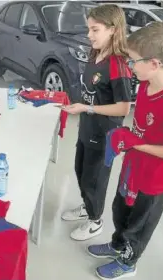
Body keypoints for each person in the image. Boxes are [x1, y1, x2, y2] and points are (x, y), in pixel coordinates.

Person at [88, 22, 163, 280]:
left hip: (154, 180)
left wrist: (136, 143)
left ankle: (128, 262)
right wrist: (126, 138)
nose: (130, 67)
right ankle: (117, 244)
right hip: (133, 168)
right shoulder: (146, 85)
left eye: (134, 61)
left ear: (155, 63)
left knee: (139, 223)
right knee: (120, 210)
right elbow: (143, 125)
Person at [60, 4, 132, 241]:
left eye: (95, 29)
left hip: (104, 134)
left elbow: (123, 107)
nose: (89, 35)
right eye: (88, 29)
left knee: (95, 179)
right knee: (81, 172)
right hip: (87, 127)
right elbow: (92, 90)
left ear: (112, 30)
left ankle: (95, 220)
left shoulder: (118, 63)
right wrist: (77, 105)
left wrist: (87, 107)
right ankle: (87, 206)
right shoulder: (95, 53)